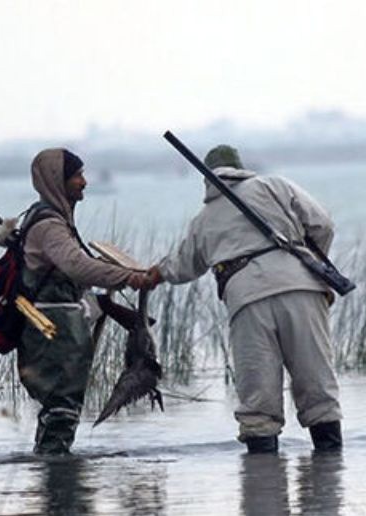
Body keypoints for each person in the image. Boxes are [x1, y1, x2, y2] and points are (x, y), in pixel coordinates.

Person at [143, 145, 342, 454]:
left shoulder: (204, 219)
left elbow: (184, 265)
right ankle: (330, 474)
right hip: (303, 290)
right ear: (240, 167)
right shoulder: (275, 185)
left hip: (247, 300)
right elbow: (323, 224)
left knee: (258, 400)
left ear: (206, 179)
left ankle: (263, 481)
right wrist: (307, 262)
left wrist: (153, 274)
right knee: (318, 387)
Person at [18, 148, 152, 455]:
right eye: (76, 175)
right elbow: (76, 265)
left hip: (55, 327)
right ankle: (60, 483)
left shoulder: (47, 219)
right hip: (54, 331)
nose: (84, 181)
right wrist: (128, 277)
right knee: (62, 409)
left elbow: (73, 269)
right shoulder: (49, 226)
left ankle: (53, 475)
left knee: (58, 410)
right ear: (57, 181)